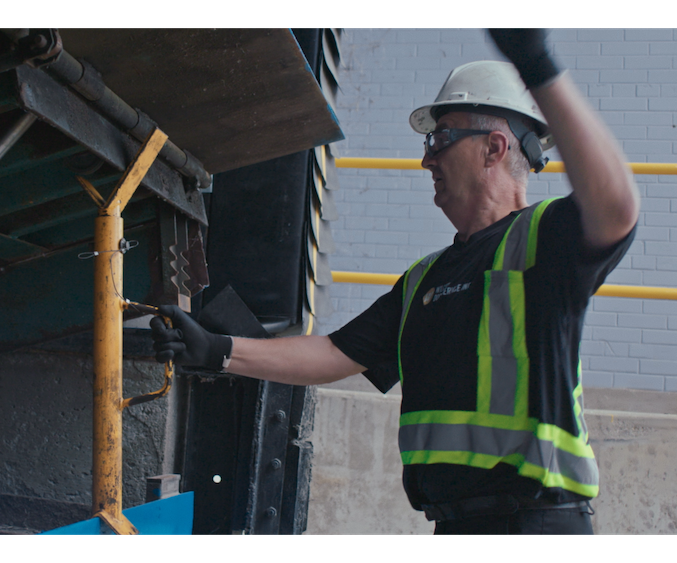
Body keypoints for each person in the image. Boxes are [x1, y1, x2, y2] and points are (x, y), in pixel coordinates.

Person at [150, 29, 639, 535]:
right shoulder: (425, 280)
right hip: (454, 524)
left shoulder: (546, 243)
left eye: (441, 137)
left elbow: (617, 205)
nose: (427, 159)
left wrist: (536, 63)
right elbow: (335, 353)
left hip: (537, 523)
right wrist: (217, 350)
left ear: (494, 148)